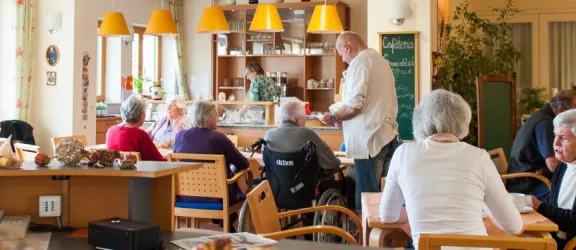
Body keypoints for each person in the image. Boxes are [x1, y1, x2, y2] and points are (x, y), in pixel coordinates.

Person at [379, 89, 524, 250]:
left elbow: (387, 216)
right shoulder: (479, 157)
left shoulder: (403, 154)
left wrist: (419, 211)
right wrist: (479, 204)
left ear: (420, 120)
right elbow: (514, 226)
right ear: (463, 120)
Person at [321, 31, 399, 210]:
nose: (344, 59)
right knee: (383, 196)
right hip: (386, 135)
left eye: (342, 54)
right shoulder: (380, 61)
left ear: (347, 47)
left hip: (368, 140)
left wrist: (333, 117)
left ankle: (363, 236)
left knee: (366, 198)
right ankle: (380, 236)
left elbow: (353, 107)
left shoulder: (360, 63)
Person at [173, 100, 249, 232]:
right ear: (207, 117)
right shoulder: (218, 137)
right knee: (236, 174)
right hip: (218, 197)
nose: (218, 118)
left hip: (186, 195)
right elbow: (243, 163)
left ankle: (224, 220)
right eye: (215, 115)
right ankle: (228, 221)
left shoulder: (179, 136)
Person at [508, 90, 576, 200]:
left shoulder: (542, 117)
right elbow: (553, 165)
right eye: (573, 112)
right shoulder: (545, 124)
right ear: (560, 111)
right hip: (529, 182)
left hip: (531, 176)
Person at [529, 109, 576, 250]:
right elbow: (553, 203)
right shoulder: (563, 164)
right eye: (555, 136)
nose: (555, 143)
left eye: (564, 138)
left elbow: (574, 222)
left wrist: (539, 207)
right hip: (557, 232)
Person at [106, 94, 164, 161]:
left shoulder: (111, 131)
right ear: (142, 116)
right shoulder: (140, 135)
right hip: (136, 170)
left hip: (114, 170)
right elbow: (158, 161)